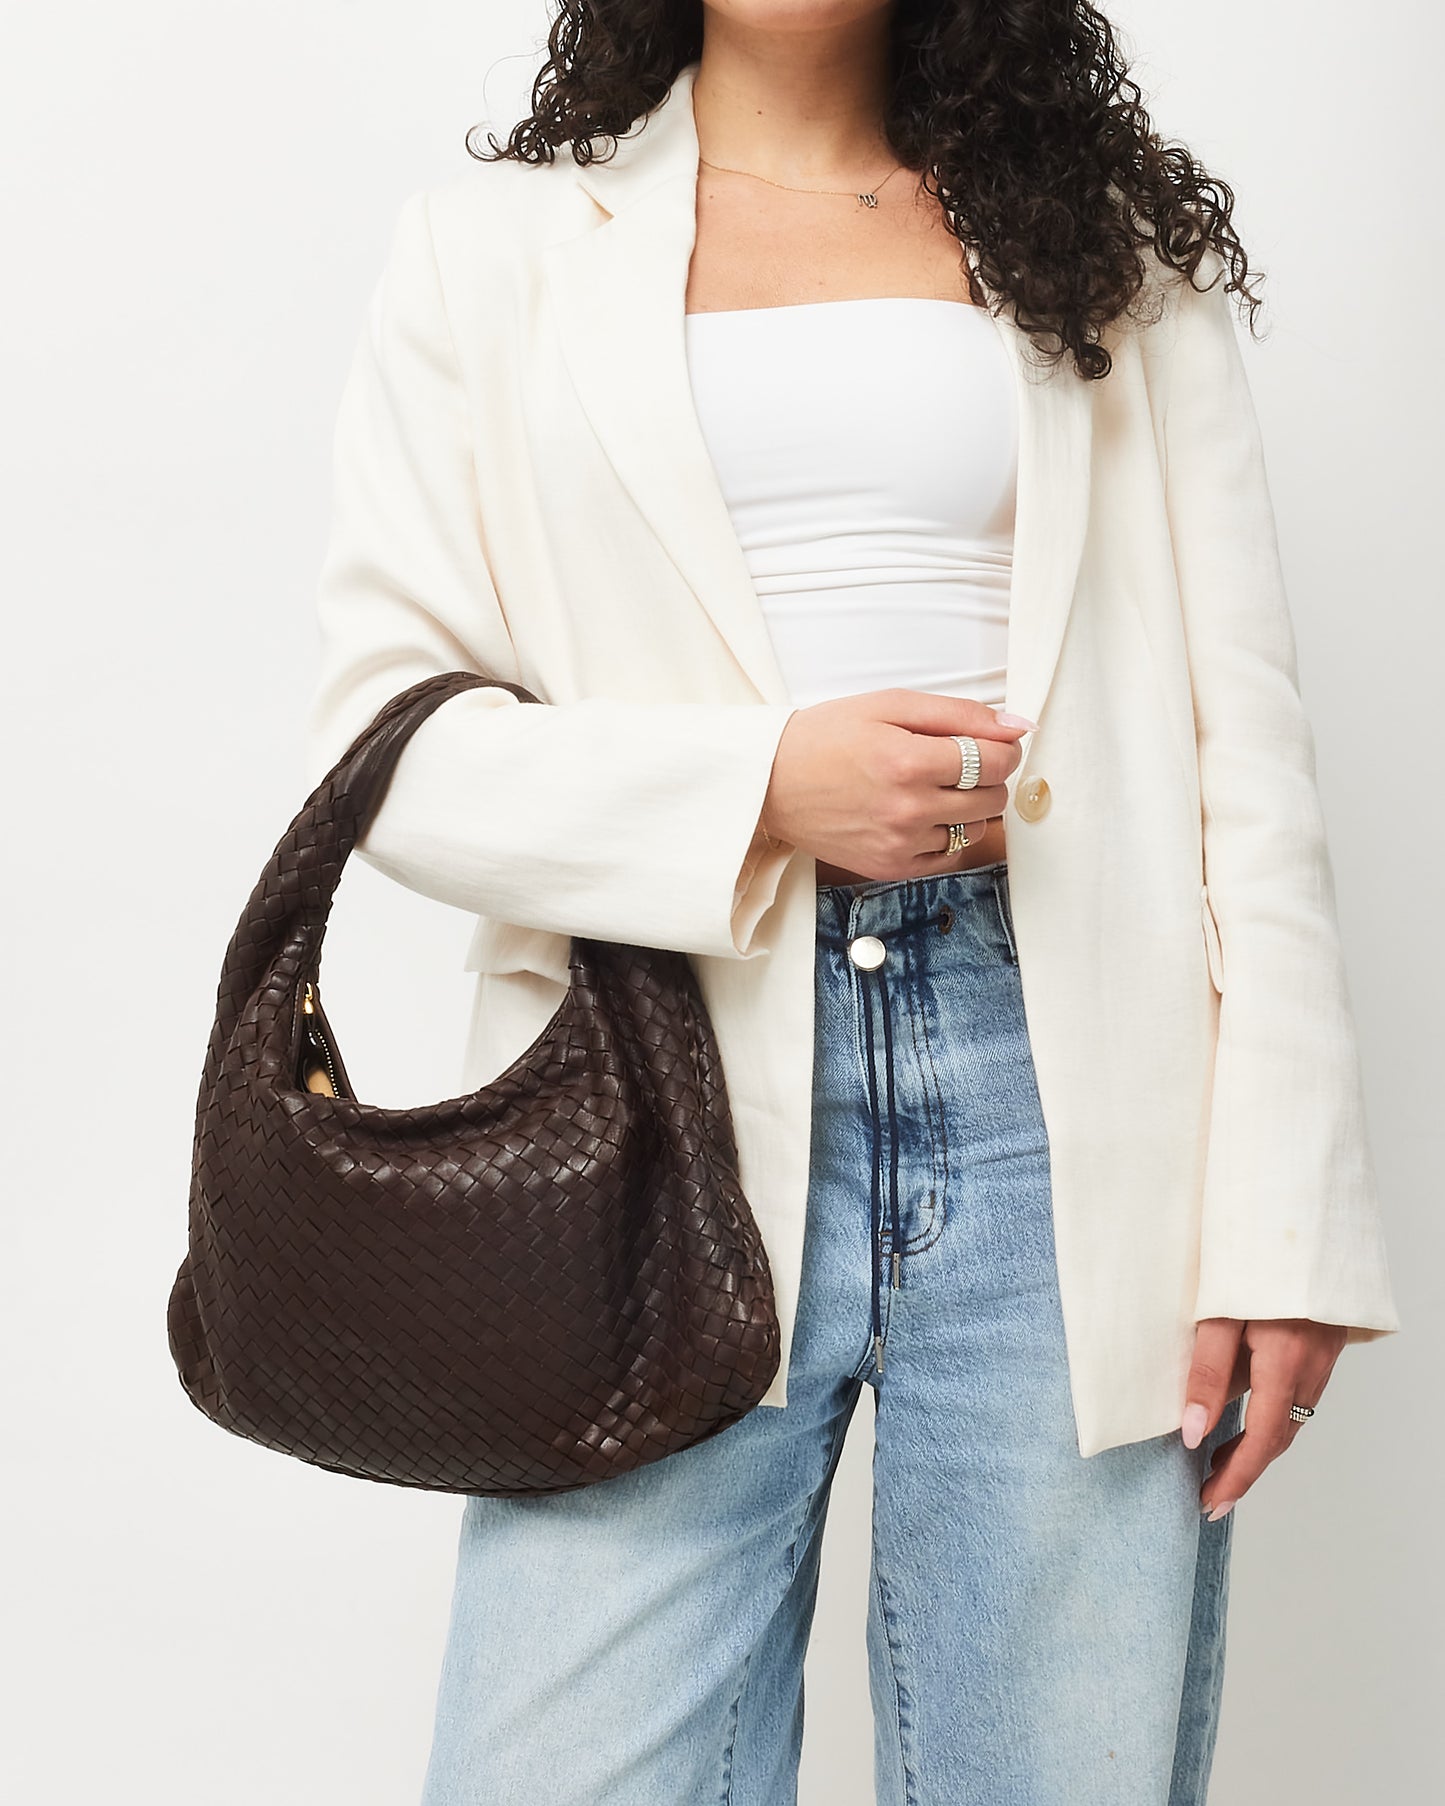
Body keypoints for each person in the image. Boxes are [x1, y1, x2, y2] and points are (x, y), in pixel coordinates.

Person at [304, 5, 1402, 1802]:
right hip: (653, 1092)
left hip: (1068, 1091)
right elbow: (388, 748)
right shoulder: (491, 249)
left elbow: (1244, 760)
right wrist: (761, 787)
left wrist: (1286, 1218)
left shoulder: (1104, 245)